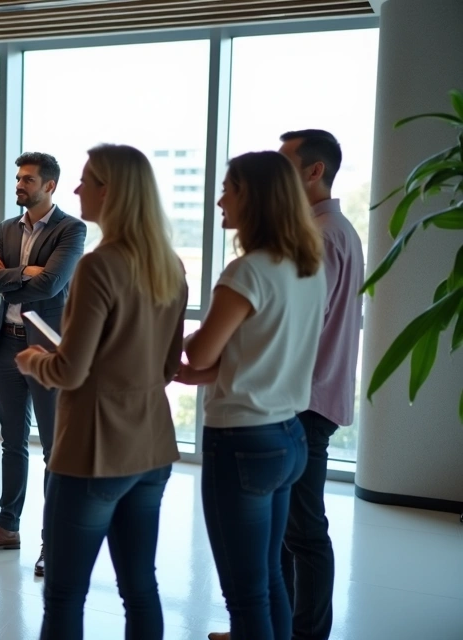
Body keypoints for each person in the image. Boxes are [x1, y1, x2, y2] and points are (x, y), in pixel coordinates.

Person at [16, 144, 186, 639]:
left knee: (66, 593)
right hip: (152, 446)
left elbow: (69, 371)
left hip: (94, 450)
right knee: (141, 587)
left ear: (110, 191)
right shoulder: (169, 265)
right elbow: (169, 365)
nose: (75, 188)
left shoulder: (99, 265)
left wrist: (34, 361)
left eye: (86, 179)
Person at [207, 131, 364, 640]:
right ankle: (276, 626)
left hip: (294, 400)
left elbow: (289, 330)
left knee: (301, 533)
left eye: (282, 163)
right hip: (303, 398)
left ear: (312, 172)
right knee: (281, 542)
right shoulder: (330, 231)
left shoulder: (314, 239)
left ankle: (302, 632)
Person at [178, 150, 325, 640]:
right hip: (289, 437)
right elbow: (258, 348)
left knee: (246, 594)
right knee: (268, 581)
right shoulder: (307, 265)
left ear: (255, 198)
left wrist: (170, 343)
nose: (220, 199)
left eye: (229, 188)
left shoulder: (246, 272)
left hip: (242, 442)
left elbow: (201, 354)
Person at [0, 151, 86, 576]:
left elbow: (52, 285)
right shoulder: (6, 228)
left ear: (49, 185)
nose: (19, 184)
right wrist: (25, 272)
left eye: (28, 179)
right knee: (12, 442)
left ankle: (52, 541)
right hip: (7, 347)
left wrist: (11, 275)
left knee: (55, 449)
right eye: (18, 177)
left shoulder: (72, 229)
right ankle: (7, 527)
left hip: (48, 350)